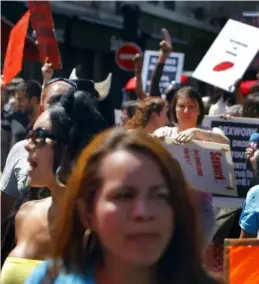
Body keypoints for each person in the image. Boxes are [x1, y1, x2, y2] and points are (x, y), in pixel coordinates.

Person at [24, 129, 222, 283]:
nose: (143, 212)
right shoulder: (48, 280)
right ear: (87, 213)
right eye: (124, 196)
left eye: (160, 196)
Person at [0, 90, 107, 284]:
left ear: (69, 146)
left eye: (39, 135)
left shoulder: (102, 226)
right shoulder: (25, 214)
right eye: (29, 133)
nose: (28, 144)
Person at [153, 86, 229, 248]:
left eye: (192, 106)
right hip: (170, 208)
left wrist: (197, 133)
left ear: (200, 110)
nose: (186, 110)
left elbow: (225, 143)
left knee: (194, 261)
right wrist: (153, 141)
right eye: (181, 106)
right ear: (174, 109)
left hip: (201, 211)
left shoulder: (210, 131)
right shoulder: (164, 132)